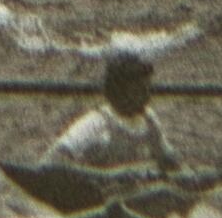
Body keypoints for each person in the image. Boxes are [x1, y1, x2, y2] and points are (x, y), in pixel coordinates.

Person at [41, 51, 180, 184]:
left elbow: (169, 161)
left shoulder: (149, 119)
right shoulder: (96, 123)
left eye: (147, 90)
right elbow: (53, 159)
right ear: (118, 90)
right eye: (139, 91)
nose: (147, 97)